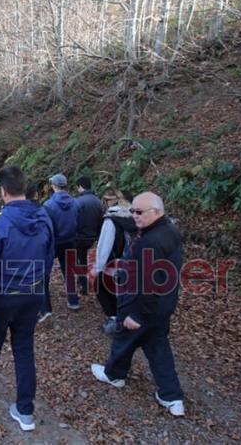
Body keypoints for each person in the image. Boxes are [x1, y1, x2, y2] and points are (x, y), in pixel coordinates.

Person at [0, 165, 54, 432]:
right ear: (25, 189)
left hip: (4, 296)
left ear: (3, 191)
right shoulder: (45, 219)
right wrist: (39, 293)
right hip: (32, 294)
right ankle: (25, 410)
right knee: (24, 349)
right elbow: (49, 259)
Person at [91, 192, 185, 417]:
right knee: (158, 348)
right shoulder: (169, 232)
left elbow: (150, 285)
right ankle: (172, 396)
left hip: (141, 307)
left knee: (124, 340)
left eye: (140, 212)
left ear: (157, 212)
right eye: (132, 211)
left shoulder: (150, 242)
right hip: (161, 307)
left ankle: (114, 375)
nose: (134, 215)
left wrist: (138, 315)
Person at [91, 192, 137, 335]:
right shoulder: (136, 217)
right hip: (133, 264)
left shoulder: (110, 221)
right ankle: (127, 319)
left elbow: (104, 245)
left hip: (113, 265)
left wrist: (98, 267)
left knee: (102, 287)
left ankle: (115, 319)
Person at [41, 173, 79, 319]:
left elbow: (46, 226)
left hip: (54, 242)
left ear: (54, 186)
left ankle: (46, 308)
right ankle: (73, 300)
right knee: (69, 271)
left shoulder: (48, 205)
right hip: (71, 240)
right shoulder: (76, 202)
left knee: (44, 273)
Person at [74, 176, 103, 296]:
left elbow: (74, 219)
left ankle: (83, 285)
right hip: (92, 237)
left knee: (79, 260)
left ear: (81, 187)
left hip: (80, 236)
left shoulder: (78, 202)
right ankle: (84, 282)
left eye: (77, 187)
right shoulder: (98, 201)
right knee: (83, 259)